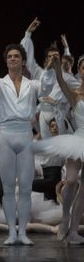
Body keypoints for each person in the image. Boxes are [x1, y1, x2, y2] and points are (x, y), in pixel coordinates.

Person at [0, 44, 55, 245]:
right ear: (6, 60)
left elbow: (46, 87)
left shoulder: (33, 84)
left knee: (27, 188)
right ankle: (12, 231)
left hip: (25, 134)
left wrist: (50, 67)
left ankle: (23, 232)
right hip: (6, 135)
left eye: (16, 56)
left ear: (22, 60)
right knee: (9, 187)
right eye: (9, 56)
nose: (13, 59)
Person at [35, 56, 84, 244]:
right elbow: (62, 83)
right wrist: (57, 69)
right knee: (71, 180)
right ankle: (65, 218)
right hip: (79, 138)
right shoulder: (75, 94)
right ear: (80, 70)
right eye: (83, 68)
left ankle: (73, 231)